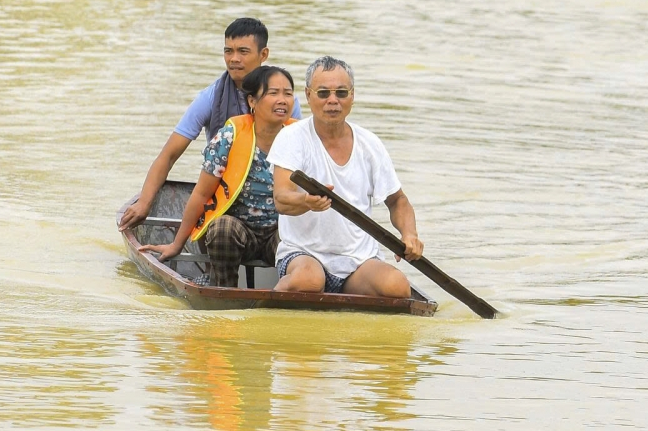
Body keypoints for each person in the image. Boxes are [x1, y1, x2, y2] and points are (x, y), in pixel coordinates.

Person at [118, 17, 302, 231]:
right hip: (225, 200)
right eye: (228, 51)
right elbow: (169, 155)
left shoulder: (284, 102)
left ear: (263, 55)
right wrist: (144, 202)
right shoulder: (210, 98)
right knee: (222, 229)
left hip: (271, 200)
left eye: (243, 51)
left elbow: (301, 159)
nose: (234, 59)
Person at [269, 57, 423, 298]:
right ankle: (271, 306)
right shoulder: (291, 137)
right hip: (304, 254)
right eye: (323, 93)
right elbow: (281, 198)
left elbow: (397, 201)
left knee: (397, 287)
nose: (333, 101)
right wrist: (307, 202)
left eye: (341, 93)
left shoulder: (370, 143)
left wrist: (409, 234)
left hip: (359, 260)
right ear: (308, 95)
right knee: (309, 281)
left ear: (352, 95)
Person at [137, 65, 297, 287]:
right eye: (273, 93)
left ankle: (289, 290)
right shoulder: (230, 135)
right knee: (223, 228)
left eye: (288, 94)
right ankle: (223, 290)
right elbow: (201, 194)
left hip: (279, 232)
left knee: (301, 237)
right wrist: (177, 244)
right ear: (252, 101)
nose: (282, 100)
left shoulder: (300, 137)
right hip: (238, 231)